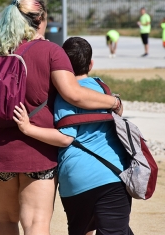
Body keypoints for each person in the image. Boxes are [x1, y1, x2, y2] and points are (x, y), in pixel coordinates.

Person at [0, 0, 122, 235]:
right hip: (38, 151)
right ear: (41, 18)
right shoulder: (51, 52)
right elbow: (74, 94)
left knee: (4, 220)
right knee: (35, 223)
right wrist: (113, 101)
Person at [13, 37, 133, 235]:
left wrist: (27, 128)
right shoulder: (102, 88)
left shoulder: (62, 96)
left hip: (76, 182)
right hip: (112, 174)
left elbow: (66, 137)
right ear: (91, 64)